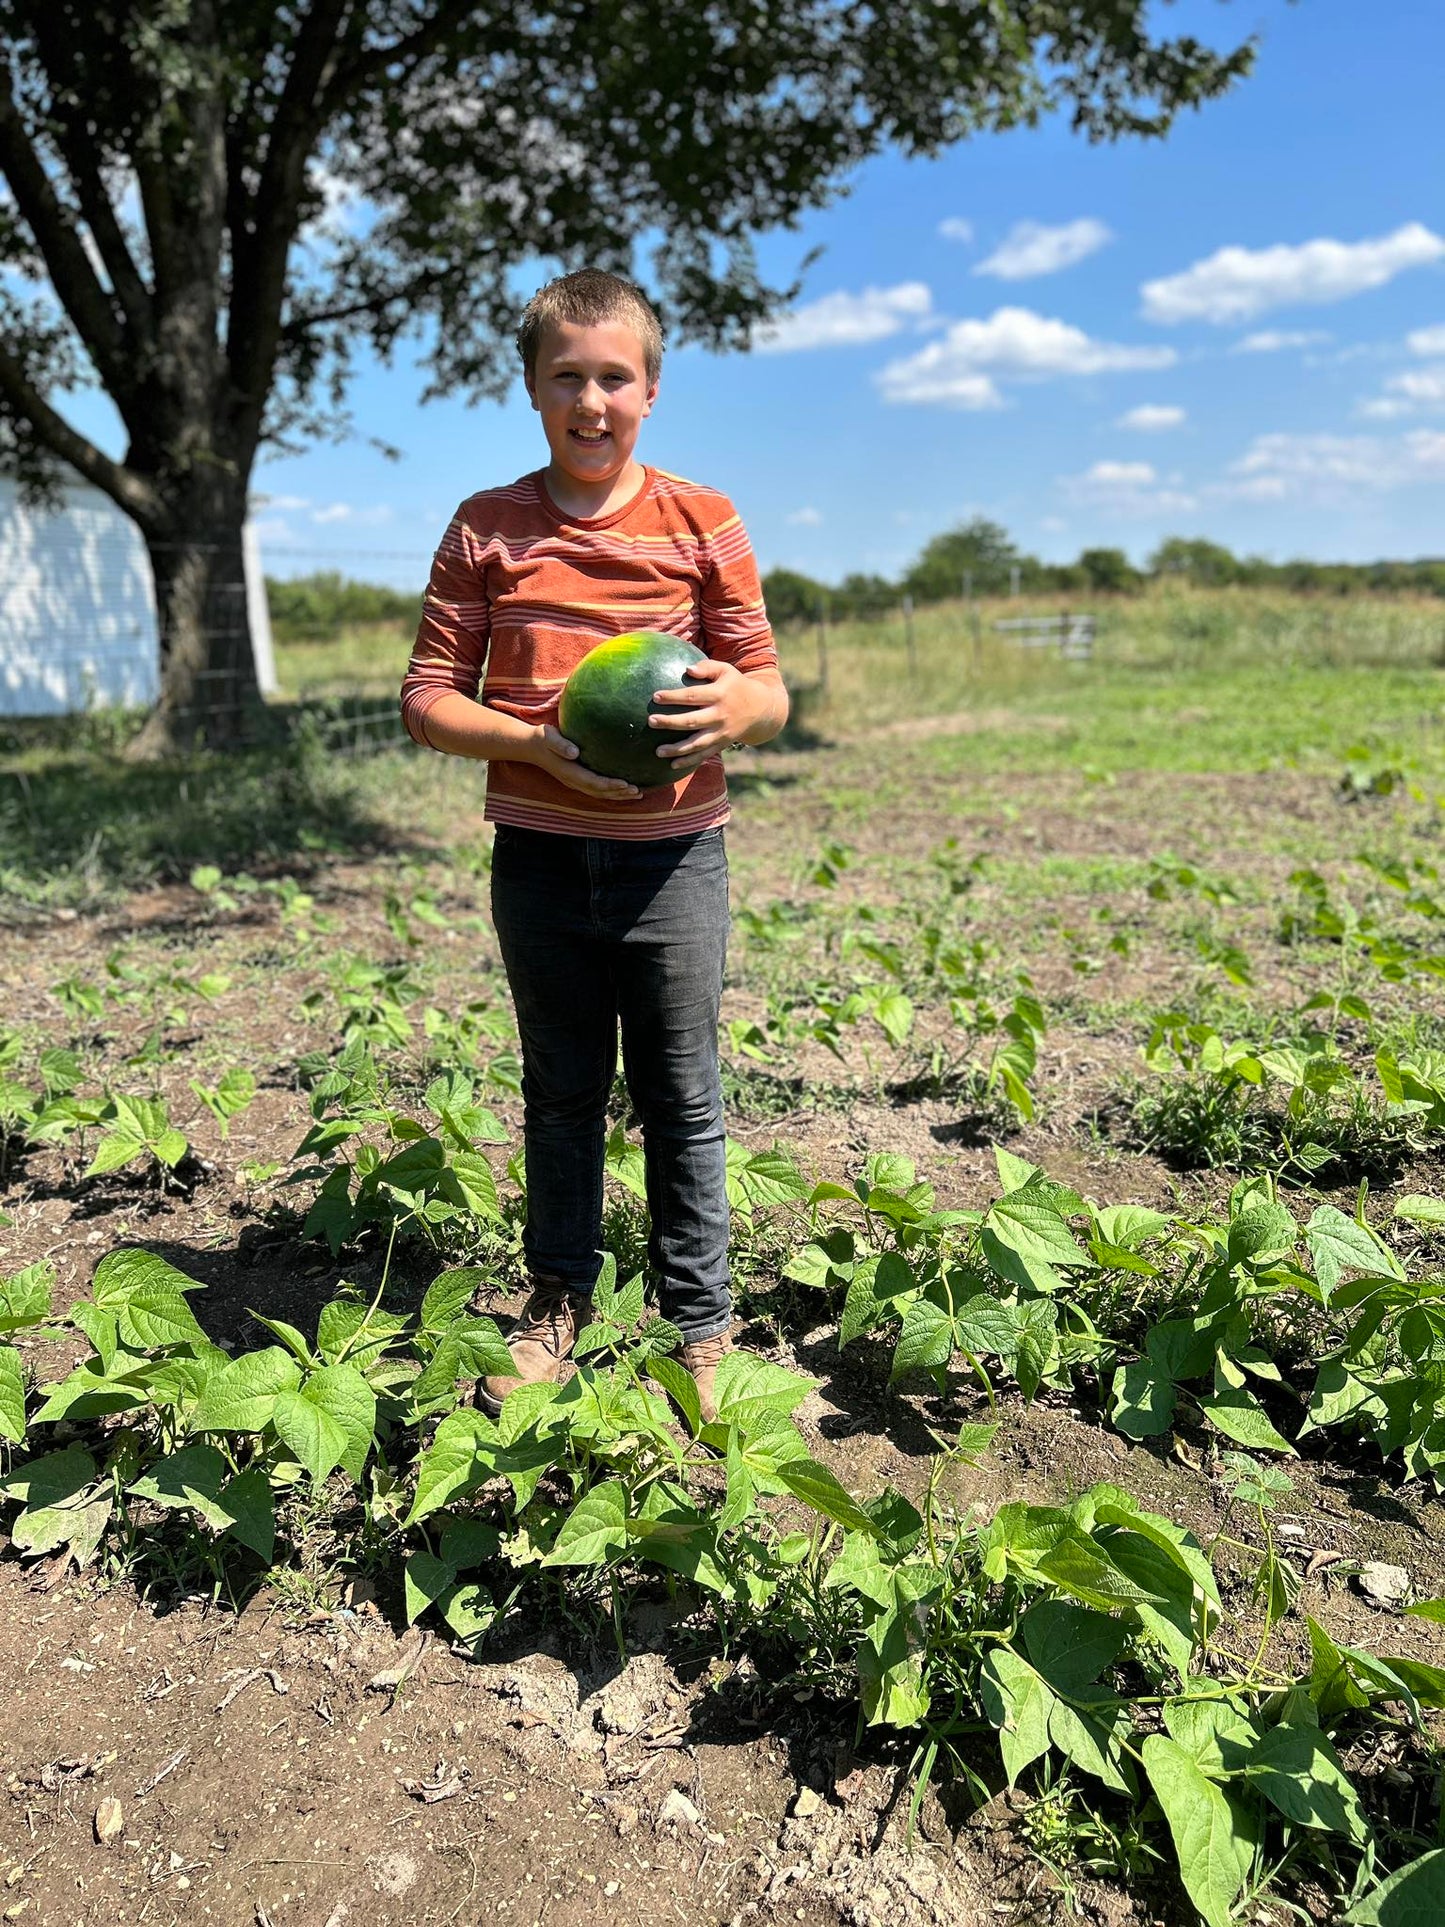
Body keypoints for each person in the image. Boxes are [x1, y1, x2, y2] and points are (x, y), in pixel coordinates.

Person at [399, 268, 789, 1423]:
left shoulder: (702, 521)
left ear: (651, 391)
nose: (590, 400)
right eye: (565, 376)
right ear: (530, 387)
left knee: (681, 1092)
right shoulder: (486, 526)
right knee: (561, 1091)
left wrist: (737, 711)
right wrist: (529, 738)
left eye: (613, 377)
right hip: (538, 859)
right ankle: (556, 1300)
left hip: (674, 860)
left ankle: (700, 1328)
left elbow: (766, 687)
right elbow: (425, 699)